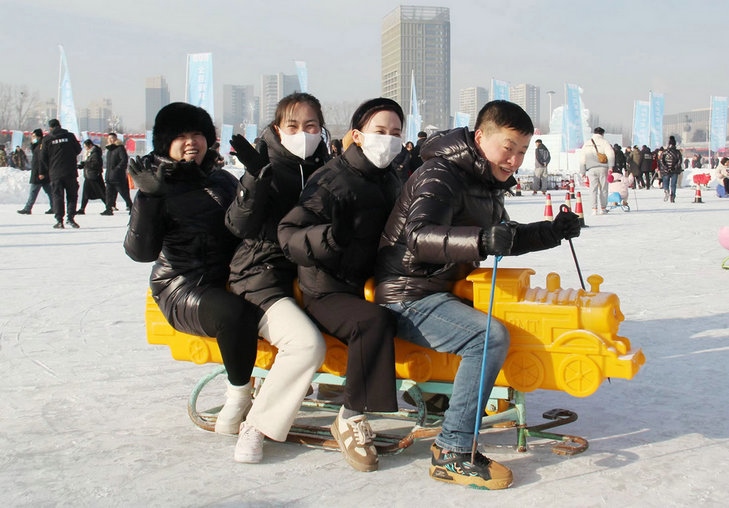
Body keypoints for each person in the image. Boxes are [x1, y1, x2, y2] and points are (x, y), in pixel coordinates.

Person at [374, 100, 581, 490]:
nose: (515, 160)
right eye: (508, 148)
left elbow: (503, 237)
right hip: (407, 293)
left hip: (441, 289)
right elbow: (418, 237)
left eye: (522, 151)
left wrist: (552, 231)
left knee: (512, 317)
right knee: (488, 337)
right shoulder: (440, 174)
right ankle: (452, 449)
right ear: (481, 137)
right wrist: (482, 239)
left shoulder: (484, 181)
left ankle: (463, 404)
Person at [124, 102, 260, 463]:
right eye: (180, 136)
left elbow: (246, 225)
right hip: (182, 285)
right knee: (234, 314)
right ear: (165, 143)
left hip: (227, 277)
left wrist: (258, 178)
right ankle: (238, 398)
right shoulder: (158, 184)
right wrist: (149, 197)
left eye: (197, 134)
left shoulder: (221, 179)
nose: (190, 142)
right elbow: (140, 251)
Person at [278, 97, 404, 473]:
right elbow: (289, 234)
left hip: (370, 281)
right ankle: (350, 417)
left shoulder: (391, 177)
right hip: (327, 288)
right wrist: (330, 237)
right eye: (380, 131)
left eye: (395, 133)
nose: (388, 140)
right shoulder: (331, 180)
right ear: (357, 136)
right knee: (373, 322)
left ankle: (436, 393)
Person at [224, 92, 329, 463]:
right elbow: (238, 225)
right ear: (277, 128)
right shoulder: (265, 166)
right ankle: (257, 424)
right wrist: (255, 179)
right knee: (306, 345)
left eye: (311, 126)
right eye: (293, 126)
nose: (303, 133)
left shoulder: (327, 169)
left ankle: (341, 396)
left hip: (310, 277)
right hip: (261, 276)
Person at [40, 119, 82, 229]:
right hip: (70, 171)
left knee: (57, 196)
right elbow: (78, 150)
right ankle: (71, 218)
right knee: (72, 196)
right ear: (60, 125)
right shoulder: (70, 136)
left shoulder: (47, 139)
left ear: (50, 127)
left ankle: (59, 220)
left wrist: (48, 169)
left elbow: (43, 157)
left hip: (55, 173)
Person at [579, 127, 614, 215]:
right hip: (603, 168)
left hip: (591, 169)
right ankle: (603, 208)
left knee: (593, 189)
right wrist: (610, 167)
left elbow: (582, 158)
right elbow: (611, 154)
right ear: (602, 134)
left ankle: (594, 209)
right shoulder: (604, 142)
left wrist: (582, 171)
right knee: (603, 189)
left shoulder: (587, 143)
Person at [17, 129, 54, 215]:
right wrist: (32, 143)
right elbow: (34, 152)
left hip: (39, 173)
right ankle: (54, 207)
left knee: (33, 192)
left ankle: (28, 208)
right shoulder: (37, 145)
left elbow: (41, 160)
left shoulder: (41, 146)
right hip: (40, 173)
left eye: (34, 136)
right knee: (50, 192)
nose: (32, 138)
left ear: (38, 136)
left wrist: (41, 172)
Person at [100, 132, 132, 215]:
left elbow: (124, 160)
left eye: (112, 138)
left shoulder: (120, 148)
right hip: (109, 176)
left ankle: (131, 207)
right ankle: (108, 209)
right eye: (109, 138)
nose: (110, 140)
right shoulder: (109, 150)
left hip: (117, 176)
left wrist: (117, 169)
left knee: (123, 193)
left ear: (116, 138)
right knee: (108, 194)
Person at [76, 139, 107, 214]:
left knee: (101, 193)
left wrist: (85, 164)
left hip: (94, 176)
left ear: (90, 145)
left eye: (86, 147)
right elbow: (89, 163)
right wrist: (83, 165)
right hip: (89, 176)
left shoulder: (95, 153)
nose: (85, 148)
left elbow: (96, 164)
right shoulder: (90, 153)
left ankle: (109, 207)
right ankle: (82, 209)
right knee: (86, 193)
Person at [658, 135, 683, 203]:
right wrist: (675, 167)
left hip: (666, 171)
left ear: (669, 144)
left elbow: (661, 160)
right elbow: (680, 161)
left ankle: (666, 190)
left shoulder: (665, 152)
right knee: (673, 184)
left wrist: (665, 167)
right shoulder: (677, 152)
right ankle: (672, 196)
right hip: (674, 171)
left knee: (665, 182)